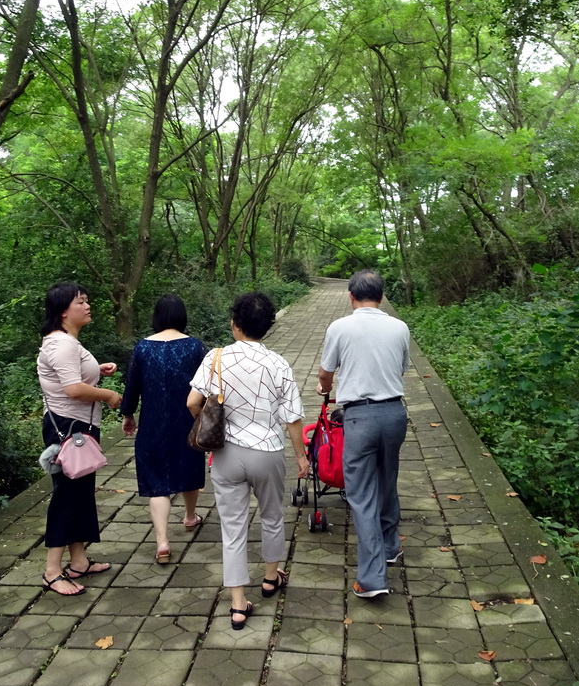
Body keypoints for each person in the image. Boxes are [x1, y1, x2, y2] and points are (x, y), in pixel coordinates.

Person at [187, 292, 310, 630]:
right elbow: (293, 417)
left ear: (235, 324)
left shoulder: (216, 357)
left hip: (227, 453)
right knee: (272, 517)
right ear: (267, 326)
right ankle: (271, 579)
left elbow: (192, 401)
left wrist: (213, 422)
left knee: (233, 528)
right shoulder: (279, 363)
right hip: (268, 451)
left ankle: (238, 604)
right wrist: (301, 455)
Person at [316, 270, 410, 598]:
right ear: (381, 297)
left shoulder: (339, 327)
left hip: (359, 418)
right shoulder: (399, 327)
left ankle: (372, 579)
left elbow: (326, 373)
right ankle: (389, 546)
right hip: (394, 414)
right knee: (387, 481)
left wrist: (323, 387)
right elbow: (399, 369)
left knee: (361, 495)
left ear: (351, 296)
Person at [37, 282, 123, 596]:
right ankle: (52, 571)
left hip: (77, 427)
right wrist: (109, 394)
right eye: (80, 302)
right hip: (68, 428)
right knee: (68, 496)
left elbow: (69, 378)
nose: (87, 306)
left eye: (87, 301)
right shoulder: (62, 344)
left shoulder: (66, 342)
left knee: (81, 493)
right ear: (63, 311)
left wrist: (97, 370)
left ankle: (79, 561)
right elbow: (73, 389)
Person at [121, 294, 208, 564]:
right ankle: (191, 516)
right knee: (189, 467)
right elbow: (206, 385)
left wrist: (127, 414)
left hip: (152, 423)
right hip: (187, 421)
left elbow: (132, 386)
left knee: (157, 482)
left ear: (156, 316)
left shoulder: (142, 348)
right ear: (182, 316)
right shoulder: (195, 347)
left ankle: (162, 542)